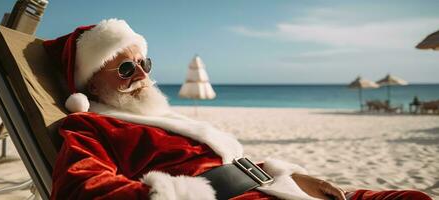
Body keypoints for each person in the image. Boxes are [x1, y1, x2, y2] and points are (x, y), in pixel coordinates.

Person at [43, 19, 432, 200]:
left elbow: (230, 164)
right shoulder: (90, 127)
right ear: (91, 83)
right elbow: (79, 187)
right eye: (125, 69)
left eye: (145, 63)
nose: (141, 74)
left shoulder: (166, 118)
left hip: (274, 187)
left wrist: (292, 175)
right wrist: (176, 196)